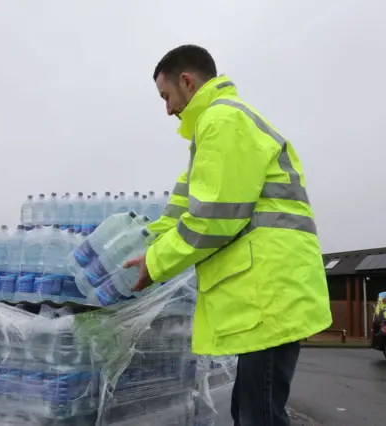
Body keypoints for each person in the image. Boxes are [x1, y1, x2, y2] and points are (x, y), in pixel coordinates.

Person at [124, 44, 332, 426]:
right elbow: (180, 209)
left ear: (187, 82)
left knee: (259, 416)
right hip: (265, 295)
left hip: (269, 295)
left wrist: (153, 264)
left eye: (166, 96)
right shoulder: (210, 133)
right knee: (250, 411)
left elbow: (213, 219)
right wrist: (141, 242)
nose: (167, 109)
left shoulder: (223, 122)